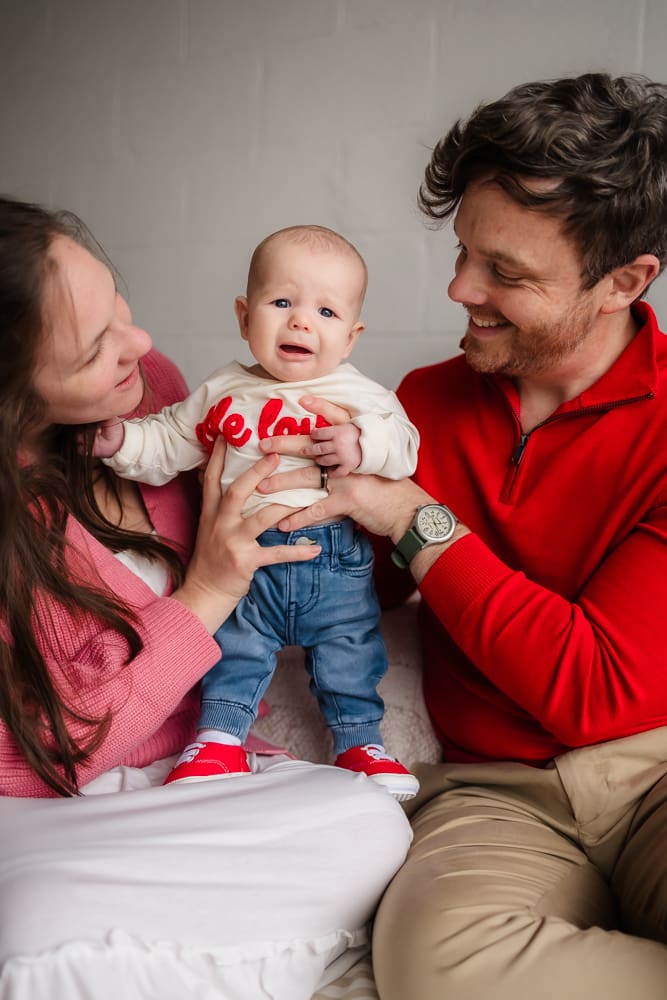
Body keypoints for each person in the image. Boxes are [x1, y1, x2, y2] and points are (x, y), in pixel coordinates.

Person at [256, 73, 667, 999]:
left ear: (625, 281)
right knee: (434, 968)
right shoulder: (417, 407)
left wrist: (408, 515)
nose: (458, 289)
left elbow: (593, 692)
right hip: (493, 795)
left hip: (654, 770)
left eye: (505, 274)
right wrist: (285, 483)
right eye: (463, 253)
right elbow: (365, 595)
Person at [0, 197, 412, 1000]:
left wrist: (366, 478)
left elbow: (380, 453)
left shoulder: (150, 386)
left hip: (193, 777)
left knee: (366, 819)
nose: (141, 344)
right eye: (95, 347)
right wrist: (208, 592)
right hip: (53, 800)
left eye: (120, 307)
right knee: (41, 929)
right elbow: (51, 749)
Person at [94, 224, 420, 798]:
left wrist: (362, 444)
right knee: (233, 648)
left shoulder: (358, 395)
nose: (300, 321)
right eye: (282, 302)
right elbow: (169, 439)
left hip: (332, 558)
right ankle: (220, 738)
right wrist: (121, 444)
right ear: (245, 318)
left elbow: (405, 443)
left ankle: (360, 742)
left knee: (350, 648)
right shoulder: (223, 392)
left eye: (325, 311)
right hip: (245, 559)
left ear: (351, 336)